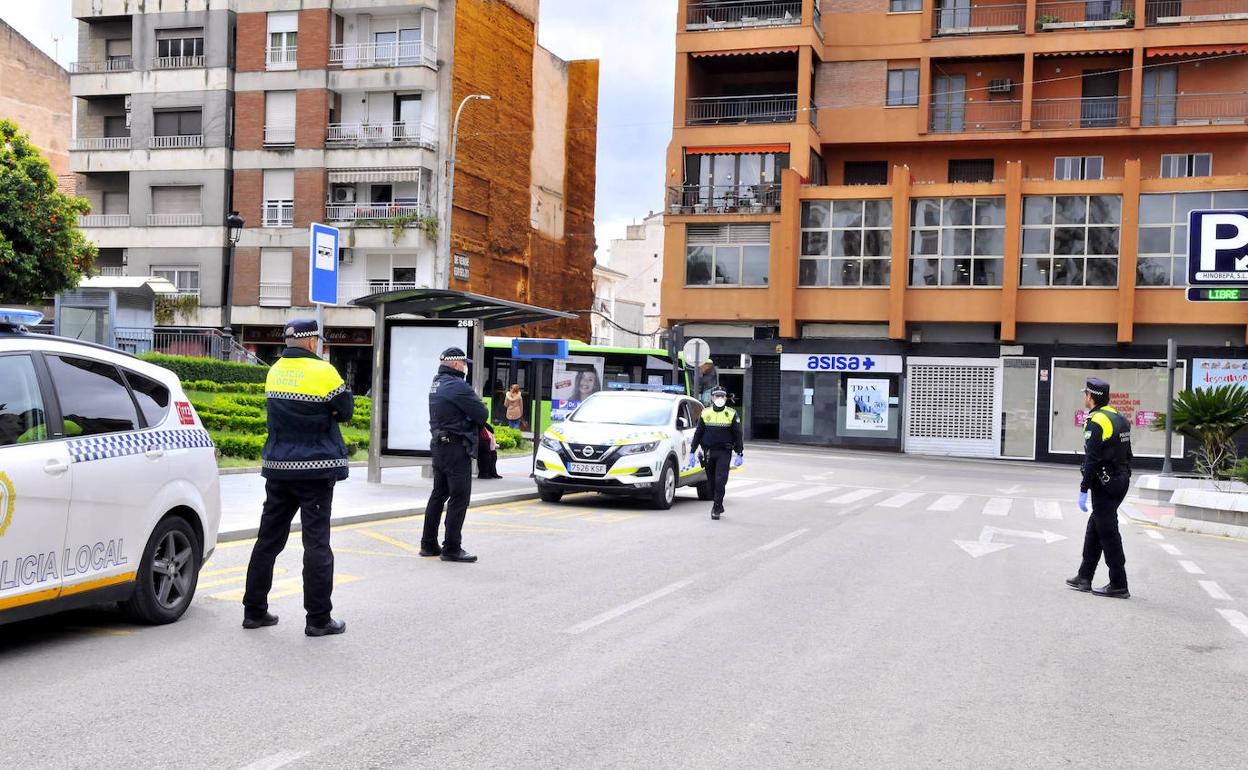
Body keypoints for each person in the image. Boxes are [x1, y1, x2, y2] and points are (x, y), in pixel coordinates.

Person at [243, 319, 353, 637]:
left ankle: (254, 611)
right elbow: (345, 411)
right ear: (309, 341)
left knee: (267, 541)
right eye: (316, 339)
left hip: (278, 469)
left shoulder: (275, 371)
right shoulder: (324, 372)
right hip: (316, 471)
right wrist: (327, 411)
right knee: (316, 543)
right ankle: (318, 619)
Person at [1066, 377, 1133, 599]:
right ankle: (1084, 576)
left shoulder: (1095, 420)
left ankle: (1119, 584)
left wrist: (1084, 488)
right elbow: (1128, 453)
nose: (1084, 397)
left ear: (1091, 397)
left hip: (1105, 483)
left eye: (1085, 394)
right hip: (1120, 479)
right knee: (1095, 527)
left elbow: (1092, 458)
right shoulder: (1119, 417)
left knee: (1108, 532)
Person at [422, 347, 490, 562]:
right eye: (463, 363)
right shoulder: (457, 385)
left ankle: (428, 544)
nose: (465, 367)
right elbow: (482, 413)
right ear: (455, 364)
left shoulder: (437, 383)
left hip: (439, 446)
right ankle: (452, 547)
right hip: (455, 447)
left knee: (438, 494)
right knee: (459, 497)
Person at [690, 386, 744, 520]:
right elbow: (698, 433)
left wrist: (739, 452)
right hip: (708, 452)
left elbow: (738, 434)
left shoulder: (731, 413)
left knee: (720, 480)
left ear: (726, 398)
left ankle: (716, 507)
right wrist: (692, 451)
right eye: (717, 396)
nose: (720, 398)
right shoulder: (705, 413)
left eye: (722, 396)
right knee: (711, 482)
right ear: (712, 398)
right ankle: (718, 503)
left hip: (724, 452)